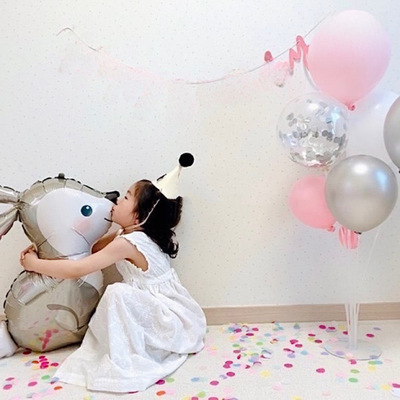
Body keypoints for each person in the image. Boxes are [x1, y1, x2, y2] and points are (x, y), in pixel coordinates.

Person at [20, 154, 207, 393]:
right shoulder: (127, 235)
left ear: (139, 216)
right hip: (165, 309)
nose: (118, 200)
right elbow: (95, 248)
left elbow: (79, 268)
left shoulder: (129, 242)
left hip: (168, 316)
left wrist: (34, 265)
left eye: (126, 197)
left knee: (116, 292)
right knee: (118, 292)